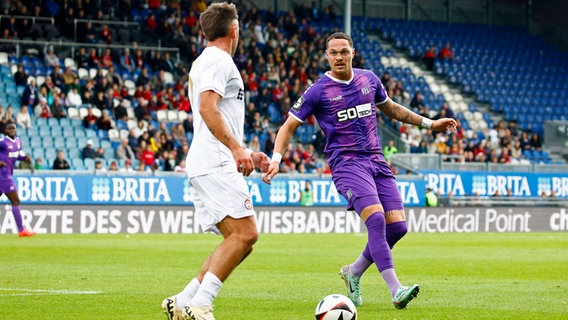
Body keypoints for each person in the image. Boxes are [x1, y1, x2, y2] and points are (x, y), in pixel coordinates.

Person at [262, 32, 457, 309]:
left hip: (376, 161)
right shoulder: (318, 90)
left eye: (344, 51)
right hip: (347, 164)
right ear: (327, 55)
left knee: (398, 227)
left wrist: (430, 124)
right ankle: (395, 290)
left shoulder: (369, 79)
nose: (339, 57)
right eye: (333, 53)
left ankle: (352, 272)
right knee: (376, 221)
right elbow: (288, 126)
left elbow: (391, 109)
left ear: (353, 52)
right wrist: (276, 158)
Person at [161, 3, 270, 320]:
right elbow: (208, 108)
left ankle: (183, 300)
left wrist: (246, 151)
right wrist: (237, 150)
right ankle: (201, 304)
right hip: (217, 161)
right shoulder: (218, 61)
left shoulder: (208, 61)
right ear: (234, 29)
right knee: (246, 234)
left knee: (239, 242)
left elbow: (217, 113)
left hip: (212, 159)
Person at [0, 123, 36, 237]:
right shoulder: (2, 142)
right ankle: (21, 230)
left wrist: (24, 158)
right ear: (5, 130)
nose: (11, 130)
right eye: (9, 128)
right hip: (3, 175)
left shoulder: (18, 142)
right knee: (15, 200)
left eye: (13, 128)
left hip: (7, 175)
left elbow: (15, 155)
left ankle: (22, 230)